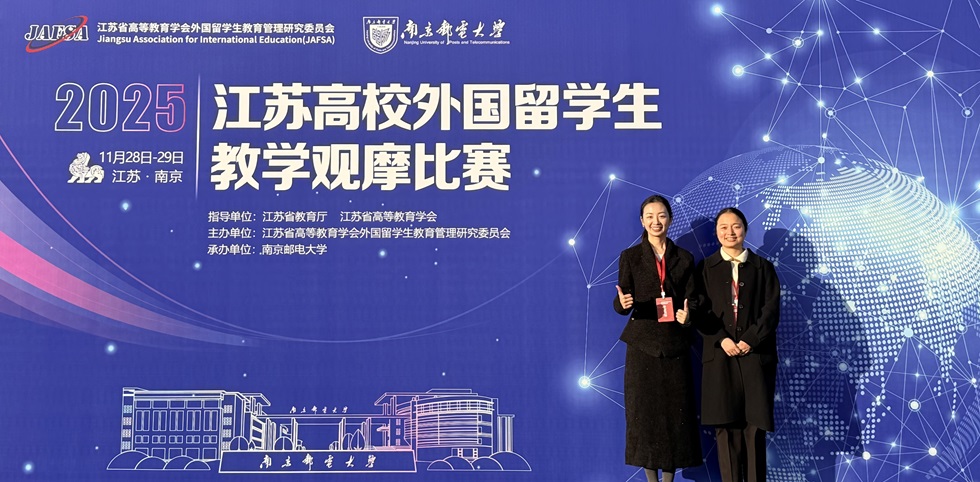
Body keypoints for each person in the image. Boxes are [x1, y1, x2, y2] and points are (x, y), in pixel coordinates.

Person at [614, 195, 703, 482]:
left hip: (675, 344)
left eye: (662, 215)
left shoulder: (684, 258)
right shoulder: (630, 257)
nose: (656, 221)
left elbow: (693, 299)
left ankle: (669, 480)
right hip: (643, 345)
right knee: (645, 415)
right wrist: (622, 304)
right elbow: (621, 299)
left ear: (670, 219)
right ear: (642, 221)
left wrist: (688, 316)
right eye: (650, 216)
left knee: (675, 417)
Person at [695, 207, 780, 482]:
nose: (730, 232)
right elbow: (700, 311)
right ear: (716, 231)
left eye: (736, 226)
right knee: (726, 430)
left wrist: (749, 340)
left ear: (745, 229)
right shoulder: (705, 268)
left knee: (754, 430)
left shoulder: (763, 268)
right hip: (720, 358)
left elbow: (771, 311)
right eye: (723, 227)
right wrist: (722, 339)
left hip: (755, 358)